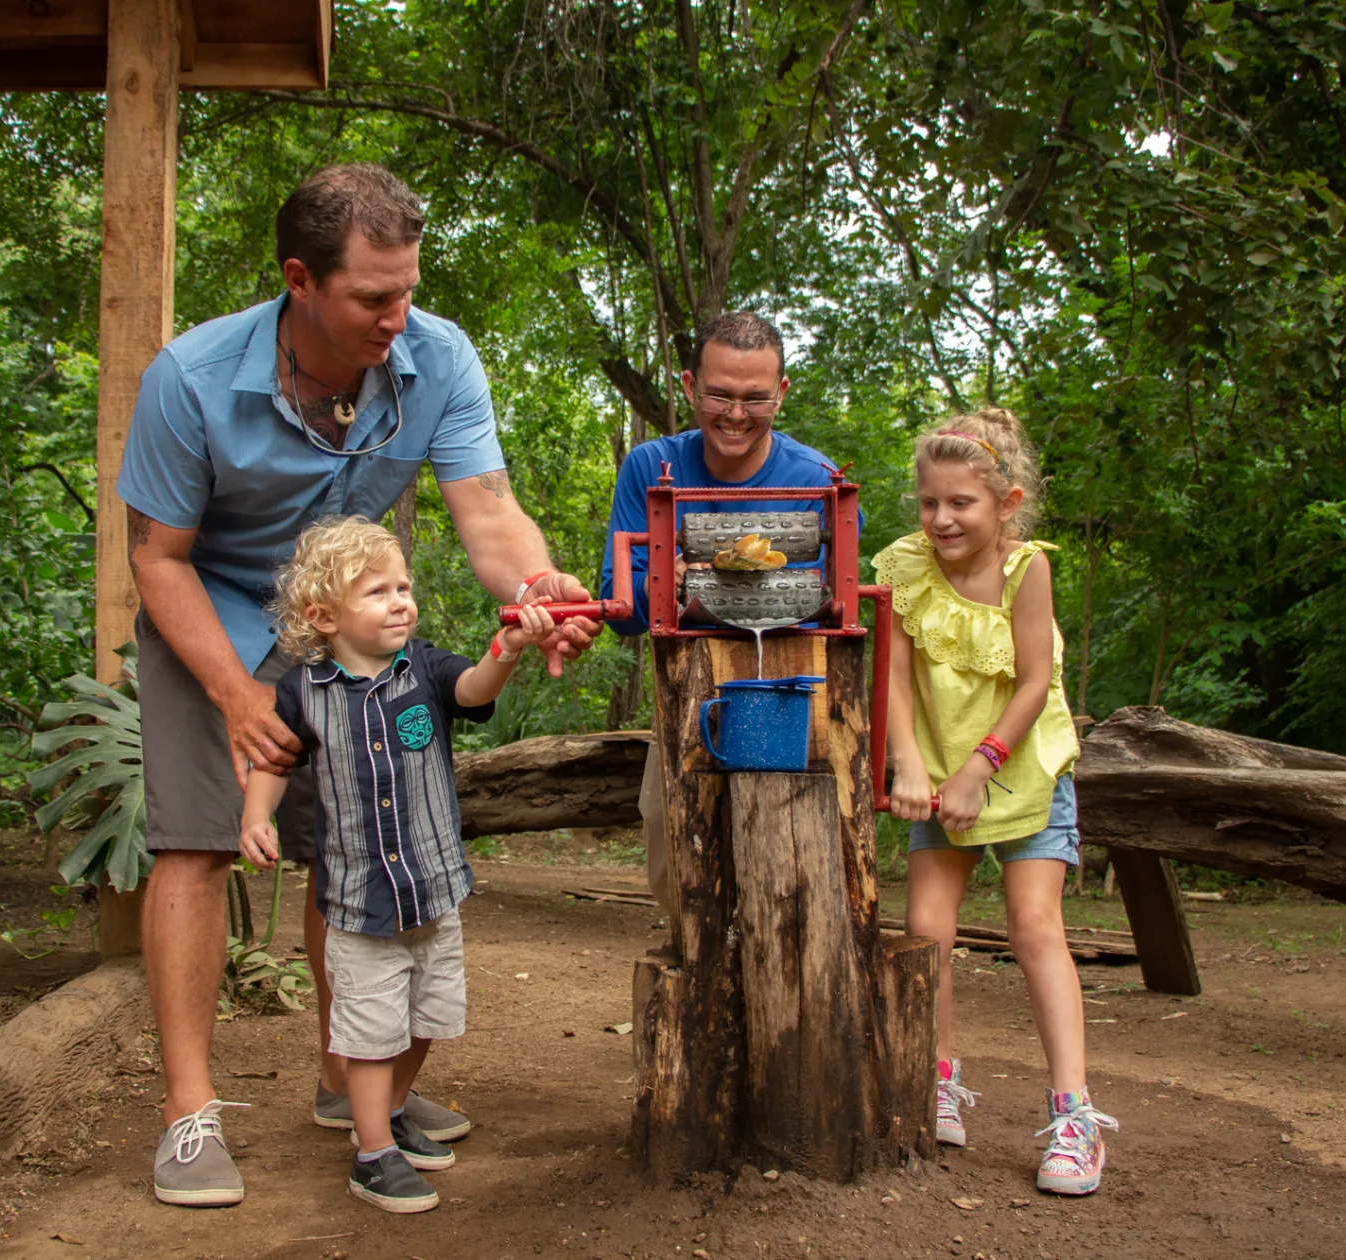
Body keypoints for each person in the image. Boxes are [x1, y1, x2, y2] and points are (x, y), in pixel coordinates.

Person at [118, 163, 601, 1208]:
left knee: (350, 848)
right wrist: (242, 697)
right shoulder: (192, 379)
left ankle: (354, 1081)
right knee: (200, 846)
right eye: (373, 297)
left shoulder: (437, 357)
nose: (399, 314)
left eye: (409, 288)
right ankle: (190, 1116)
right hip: (214, 612)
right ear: (300, 280)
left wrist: (539, 592)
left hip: (347, 626)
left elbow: (487, 506)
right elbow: (157, 559)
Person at [239, 518, 555, 1214]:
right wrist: (255, 816)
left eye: (404, 586)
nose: (401, 601)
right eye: (378, 591)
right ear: (324, 615)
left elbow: (474, 690)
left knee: (427, 1018)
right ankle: (372, 1153)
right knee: (370, 1029)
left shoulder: (428, 670)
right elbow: (275, 756)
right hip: (357, 902)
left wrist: (506, 648)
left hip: (433, 889)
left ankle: (393, 1109)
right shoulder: (305, 691)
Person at [874, 408, 1117, 1195]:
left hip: (1023, 766)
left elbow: (1037, 682)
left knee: (1035, 924)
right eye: (929, 503)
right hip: (939, 772)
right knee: (925, 927)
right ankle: (936, 1078)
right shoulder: (902, 566)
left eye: (962, 504)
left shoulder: (1028, 568)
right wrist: (907, 764)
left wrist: (982, 766)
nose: (942, 519)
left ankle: (1073, 1115)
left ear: (1006, 504)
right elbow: (897, 678)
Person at [600, 311, 843, 912]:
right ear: (689, 387)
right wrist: (668, 583)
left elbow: (836, 601)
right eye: (720, 395)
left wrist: (697, 583)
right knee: (679, 873)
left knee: (795, 881)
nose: (736, 414)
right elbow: (623, 603)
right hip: (685, 701)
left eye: (755, 398)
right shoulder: (650, 468)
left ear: (781, 394)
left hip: (794, 699)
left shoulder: (818, 480)